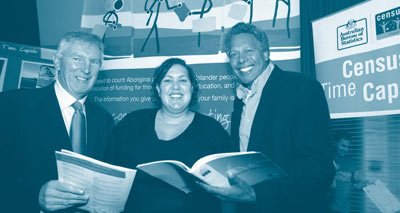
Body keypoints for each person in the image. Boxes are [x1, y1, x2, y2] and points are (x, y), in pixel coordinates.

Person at [199, 22, 335, 213]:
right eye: (234, 54)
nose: (241, 59)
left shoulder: (302, 89)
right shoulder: (241, 99)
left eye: (248, 51)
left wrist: (257, 195)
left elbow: (318, 167)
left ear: (265, 53)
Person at [0, 31, 114, 212]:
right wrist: (35, 194)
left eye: (94, 62)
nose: (86, 69)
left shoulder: (103, 120)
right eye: (77, 59)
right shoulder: (14, 105)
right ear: (57, 61)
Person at [109, 58, 234, 213]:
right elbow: (111, 173)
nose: (176, 87)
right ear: (158, 89)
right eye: (168, 80)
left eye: (183, 80)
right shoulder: (131, 124)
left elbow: (229, 187)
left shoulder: (212, 130)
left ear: (192, 88)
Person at [329, 131, 367, 213]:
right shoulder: (327, 161)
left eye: (348, 147)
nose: (346, 149)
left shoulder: (351, 163)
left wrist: (364, 185)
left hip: (345, 209)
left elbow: (355, 185)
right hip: (328, 208)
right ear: (335, 142)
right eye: (343, 146)